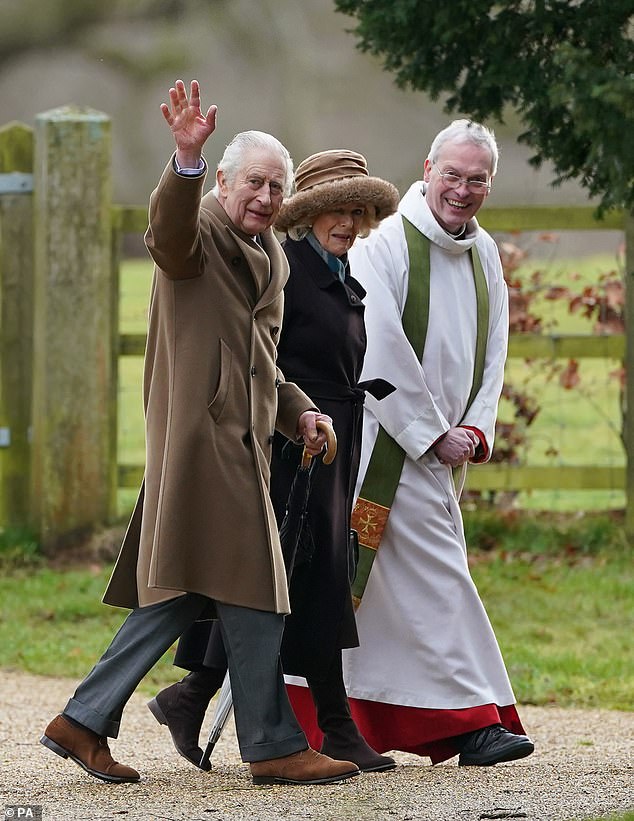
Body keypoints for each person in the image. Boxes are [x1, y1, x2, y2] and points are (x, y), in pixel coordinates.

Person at [39, 79, 361, 787]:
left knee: (187, 592)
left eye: (277, 186)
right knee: (256, 587)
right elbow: (166, 233)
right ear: (221, 180)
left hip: (243, 446)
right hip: (201, 444)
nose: (266, 197)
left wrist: (300, 410)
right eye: (254, 182)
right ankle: (274, 743)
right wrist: (182, 160)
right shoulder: (201, 230)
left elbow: (263, 364)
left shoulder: (272, 253)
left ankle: (83, 719)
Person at [288, 119, 536, 767]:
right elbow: (378, 346)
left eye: (477, 179)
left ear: (489, 185)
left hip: (447, 449)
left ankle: (334, 719)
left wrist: (477, 427)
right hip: (385, 446)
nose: (462, 189)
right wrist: (431, 433)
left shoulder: (484, 253)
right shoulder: (387, 243)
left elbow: (495, 347)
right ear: (427, 169)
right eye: (452, 174)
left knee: (383, 599)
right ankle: (475, 720)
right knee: (438, 577)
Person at [147, 149, 401, 774]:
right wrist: (293, 418)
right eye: (338, 209)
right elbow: (258, 355)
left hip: (327, 435)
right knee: (281, 582)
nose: (350, 221)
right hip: (283, 447)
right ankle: (319, 728)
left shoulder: (328, 269)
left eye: (360, 211)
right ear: (308, 214)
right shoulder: (280, 265)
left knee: (289, 582)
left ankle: (192, 696)